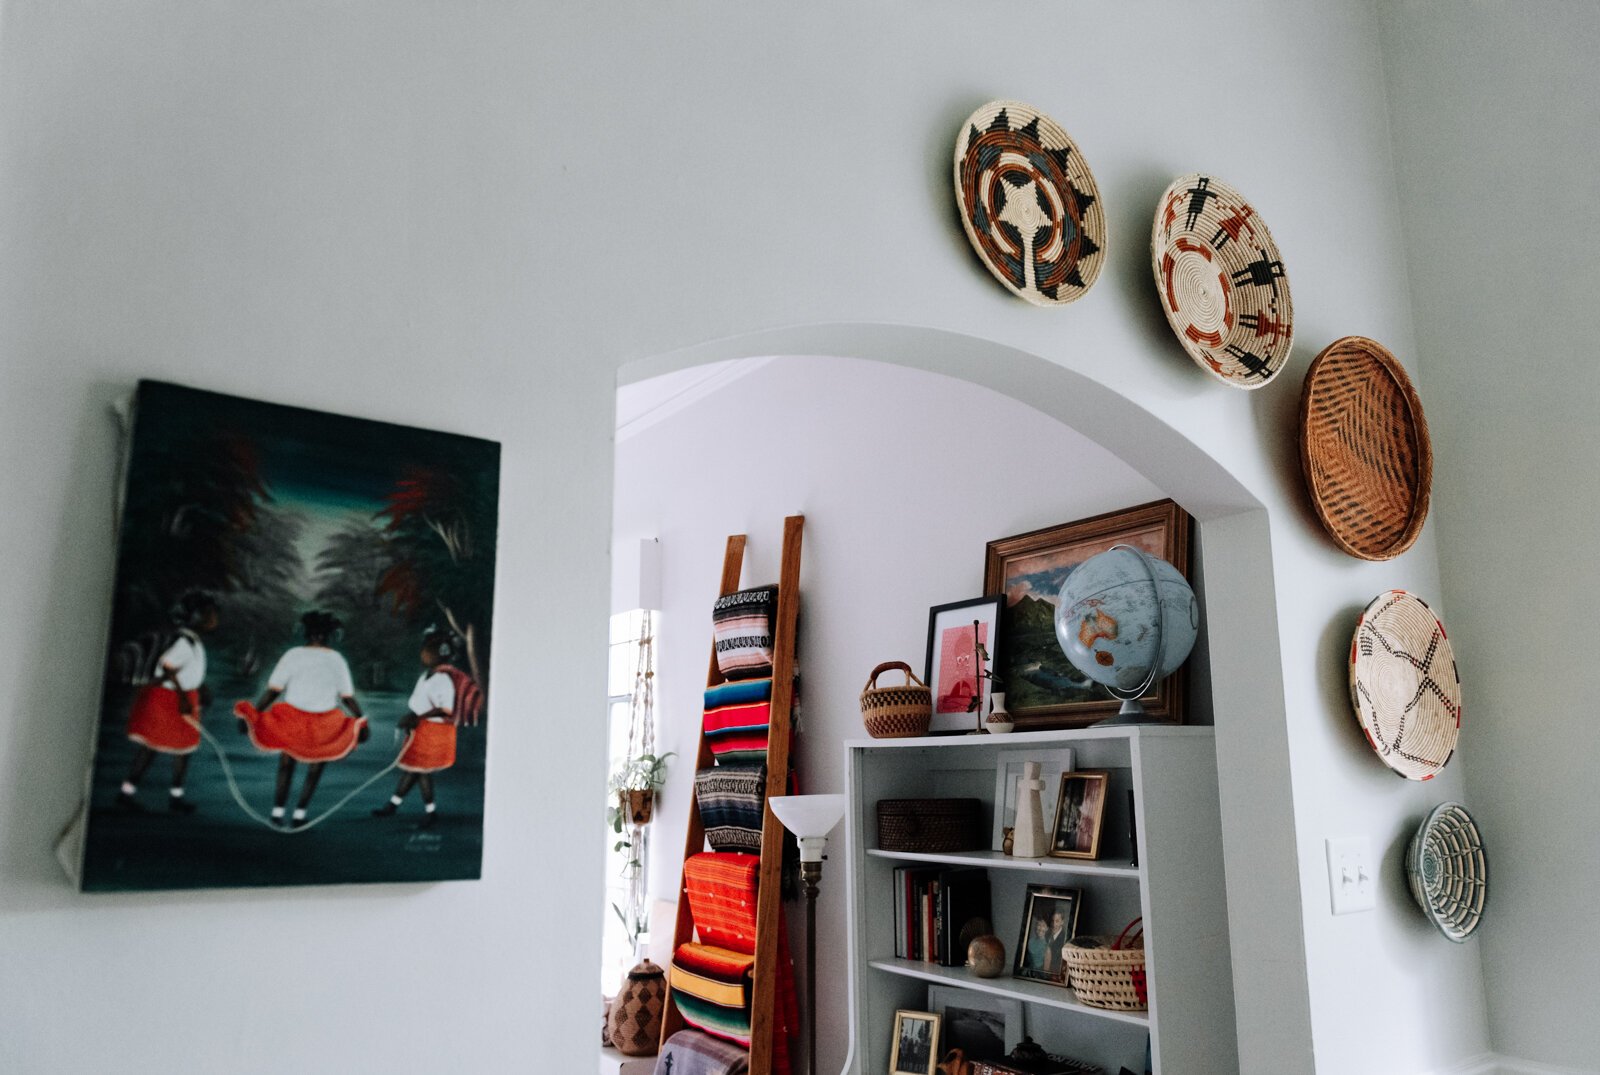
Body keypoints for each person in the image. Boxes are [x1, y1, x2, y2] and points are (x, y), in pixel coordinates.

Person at [235, 610, 367, 828]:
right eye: (316, 633)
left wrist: (361, 720)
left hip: (311, 719)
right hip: (305, 718)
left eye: (319, 633)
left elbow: (274, 690)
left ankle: (285, 813)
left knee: (290, 765)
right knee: (308, 767)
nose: (317, 637)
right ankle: (294, 813)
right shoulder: (334, 659)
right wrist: (361, 719)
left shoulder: (296, 655)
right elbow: (347, 697)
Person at [116, 590, 219, 814]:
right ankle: (133, 793)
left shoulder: (193, 641)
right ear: (197, 617)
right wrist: (183, 696)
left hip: (180, 696)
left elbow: (186, 670)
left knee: (179, 748)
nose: (214, 619)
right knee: (157, 748)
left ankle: (167, 796)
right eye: (210, 614)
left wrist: (200, 687)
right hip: (170, 698)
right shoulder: (185, 642)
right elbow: (168, 666)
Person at [372, 627, 482, 829]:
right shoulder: (425, 677)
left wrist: (416, 718)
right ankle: (393, 805)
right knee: (414, 769)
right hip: (422, 729)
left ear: (438, 654)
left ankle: (429, 812)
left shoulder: (443, 679)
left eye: (427, 650)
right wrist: (412, 718)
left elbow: (446, 709)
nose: (423, 654)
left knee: (421, 771)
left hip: (435, 732)